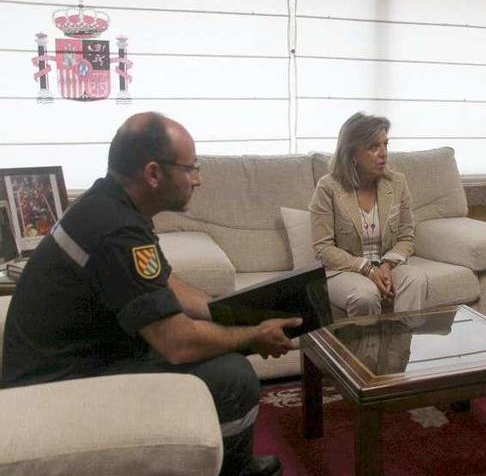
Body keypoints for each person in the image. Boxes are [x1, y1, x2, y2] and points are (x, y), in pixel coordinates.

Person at [1, 112, 294, 476]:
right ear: (153, 173)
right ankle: (235, 470)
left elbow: (165, 281)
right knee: (233, 377)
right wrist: (252, 336)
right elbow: (177, 343)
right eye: (191, 169)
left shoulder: (108, 204)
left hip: (73, 357)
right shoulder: (117, 230)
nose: (198, 180)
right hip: (60, 383)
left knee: (219, 353)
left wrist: (230, 311)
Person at [309, 112, 427, 317]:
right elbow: (323, 248)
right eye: (374, 147)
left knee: (415, 279)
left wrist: (387, 265)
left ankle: (401, 347)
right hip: (344, 271)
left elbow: (406, 237)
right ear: (352, 153)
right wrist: (367, 269)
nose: (383, 153)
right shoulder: (328, 187)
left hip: (386, 265)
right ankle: (361, 350)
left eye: (385, 144)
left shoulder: (397, 183)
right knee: (365, 294)